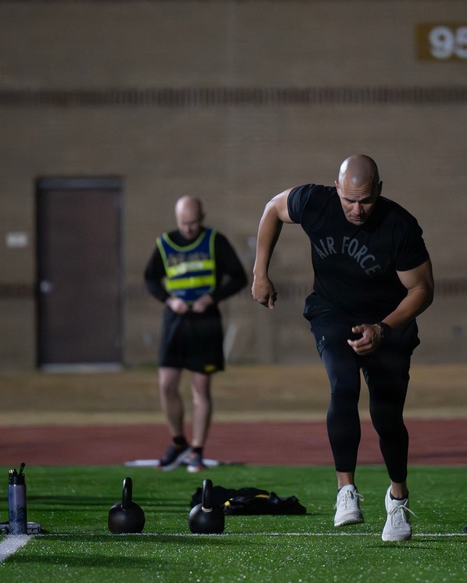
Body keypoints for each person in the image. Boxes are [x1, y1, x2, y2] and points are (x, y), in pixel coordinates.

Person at [251, 154, 434, 542]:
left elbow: (421, 289)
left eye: (365, 200)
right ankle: (345, 490)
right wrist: (260, 273)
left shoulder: (399, 226)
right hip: (332, 312)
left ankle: (397, 500)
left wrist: (383, 329)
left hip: (387, 320)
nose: (356, 209)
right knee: (343, 384)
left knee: (387, 415)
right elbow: (272, 209)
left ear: (379, 191)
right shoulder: (315, 203)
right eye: (349, 199)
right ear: (337, 190)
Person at [144, 196, 247, 473]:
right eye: (184, 223)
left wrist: (212, 298)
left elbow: (239, 277)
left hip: (205, 322)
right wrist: (168, 299)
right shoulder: (165, 243)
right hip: (175, 320)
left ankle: (197, 450)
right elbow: (150, 278)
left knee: (200, 388)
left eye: (193, 223)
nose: (189, 229)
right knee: (166, 384)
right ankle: (178, 442)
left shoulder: (215, 241)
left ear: (202, 217)